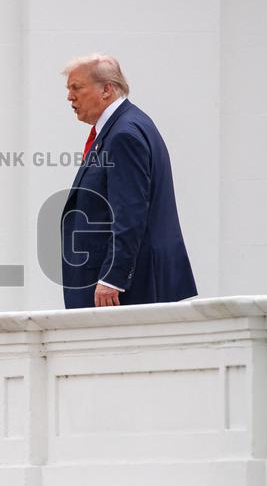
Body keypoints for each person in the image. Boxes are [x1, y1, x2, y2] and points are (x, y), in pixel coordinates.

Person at [60, 54, 196, 307]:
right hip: (131, 284)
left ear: (107, 89)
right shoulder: (126, 125)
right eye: (68, 89)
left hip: (126, 291)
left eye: (76, 88)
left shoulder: (124, 135)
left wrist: (113, 277)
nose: (70, 97)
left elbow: (130, 212)